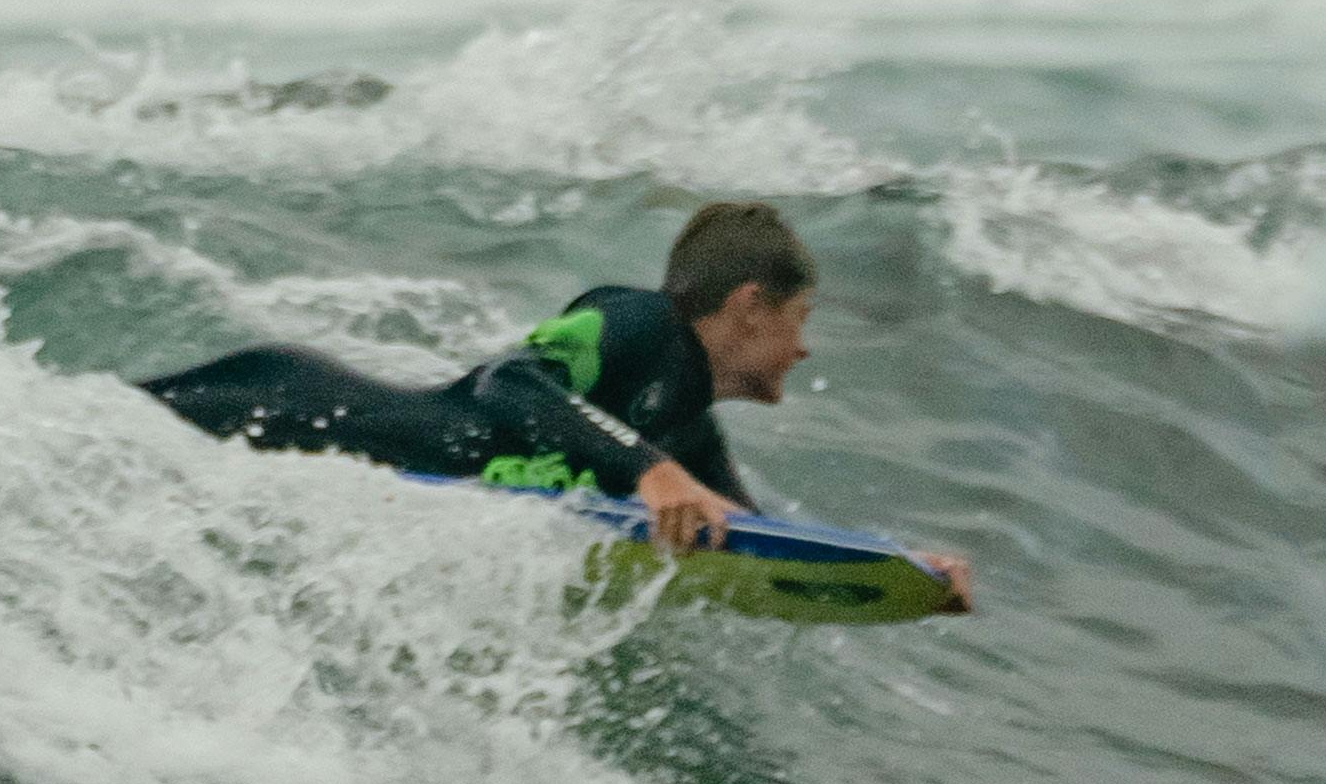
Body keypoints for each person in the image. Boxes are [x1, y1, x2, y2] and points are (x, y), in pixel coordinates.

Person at [143, 196, 974, 608]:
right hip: (272, 407)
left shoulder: (683, 425)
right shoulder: (639, 322)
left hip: (293, 461)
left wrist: (901, 571)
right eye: (799, 320)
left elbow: (754, 542)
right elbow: (510, 382)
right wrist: (649, 474)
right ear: (750, 307)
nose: (805, 347)